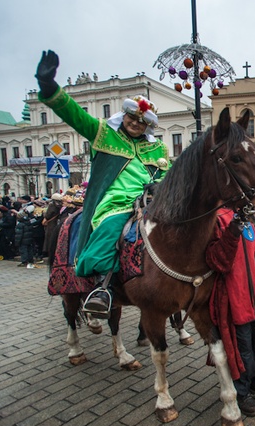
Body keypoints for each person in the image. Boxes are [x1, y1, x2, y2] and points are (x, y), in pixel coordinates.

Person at [35, 50, 170, 319]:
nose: (134, 123)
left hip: (152, 203)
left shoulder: (159, 150)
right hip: (116, 203)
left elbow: (171, 176)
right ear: (124, 116)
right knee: (111, 230)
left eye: (141, 122)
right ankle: (102, 287)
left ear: (148, 127)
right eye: (132, 118)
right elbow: (74, 114)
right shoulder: (103, 133)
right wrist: (49, 87)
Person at [206, 208, 255, 417]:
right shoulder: (217, 219)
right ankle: (242, 391)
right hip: (236, 297)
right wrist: (232, 231)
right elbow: (216, 261)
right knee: (243, 348)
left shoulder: (249, 218)